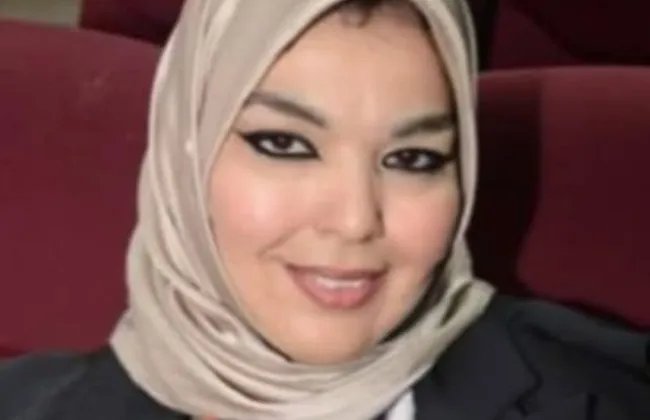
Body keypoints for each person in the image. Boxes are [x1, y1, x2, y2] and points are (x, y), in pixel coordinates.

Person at [1, 0, 648, 419]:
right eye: (284, 145)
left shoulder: (604, 393)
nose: (355, 219)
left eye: (413, 158)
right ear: (183, 157)